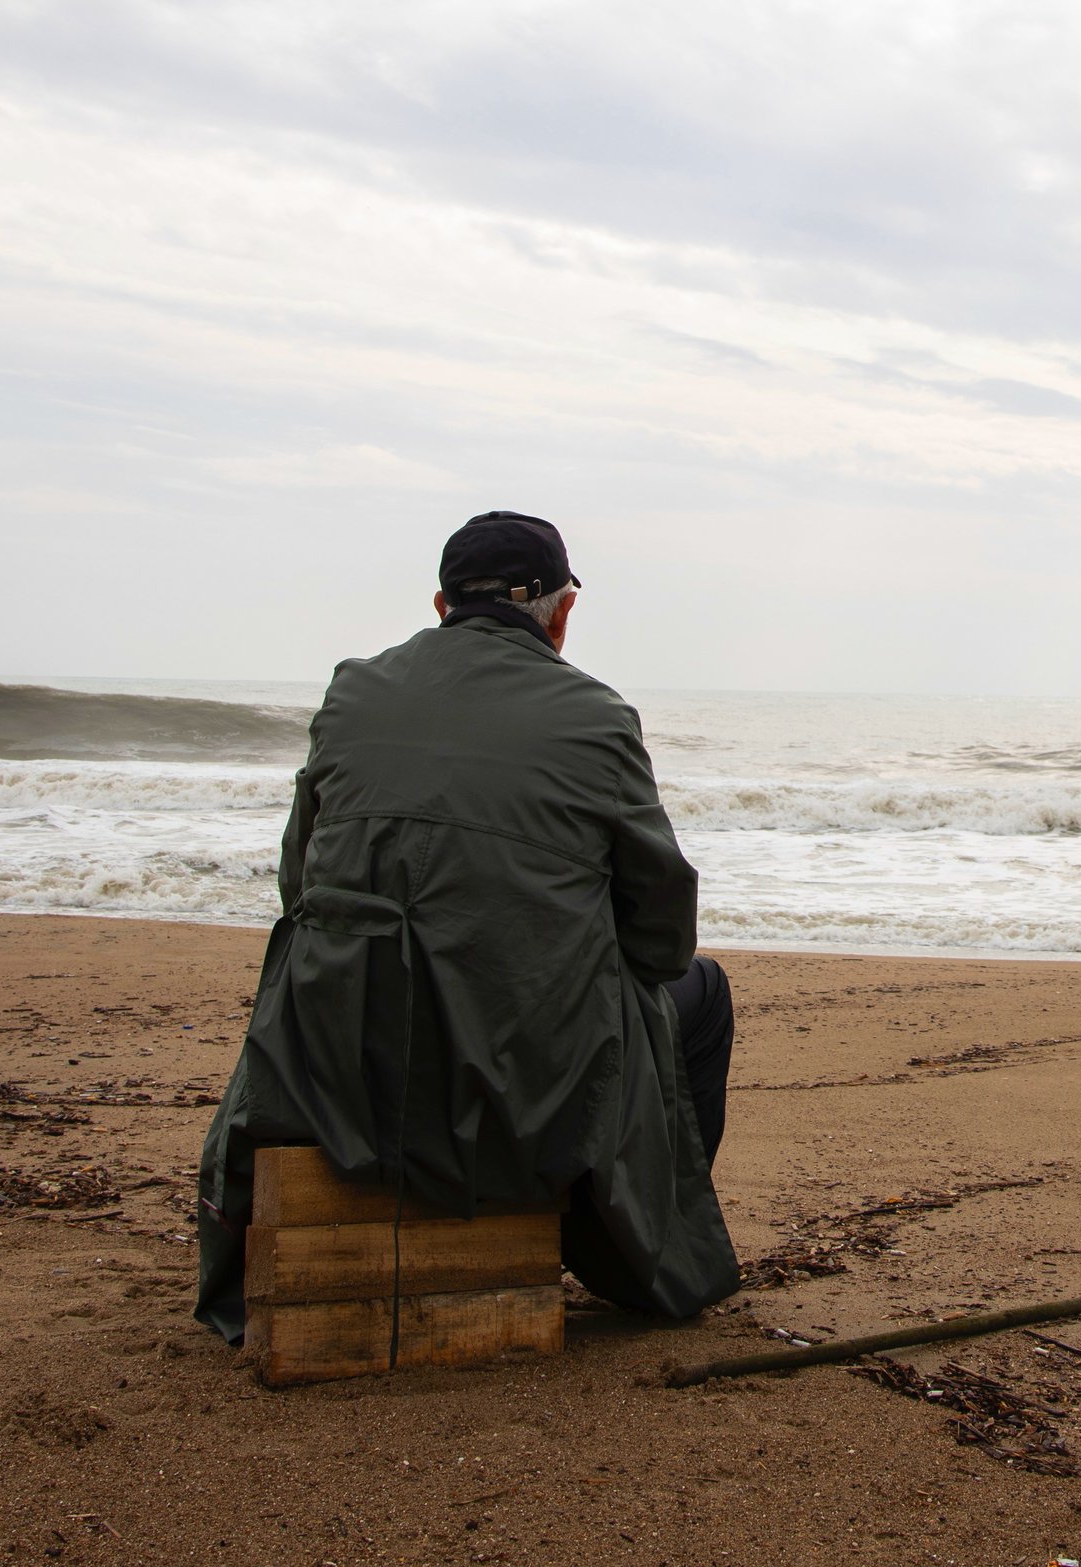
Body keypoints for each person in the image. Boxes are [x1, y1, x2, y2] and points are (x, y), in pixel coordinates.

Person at [192, 511, 739, 1341]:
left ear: (442, 604)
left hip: (335, 1073)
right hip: (522, 1091)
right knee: (702, 997)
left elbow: (299, 886)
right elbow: (662, 936)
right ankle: (627, 1247)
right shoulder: (596, 716)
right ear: (562, 613)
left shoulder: (354, 689)